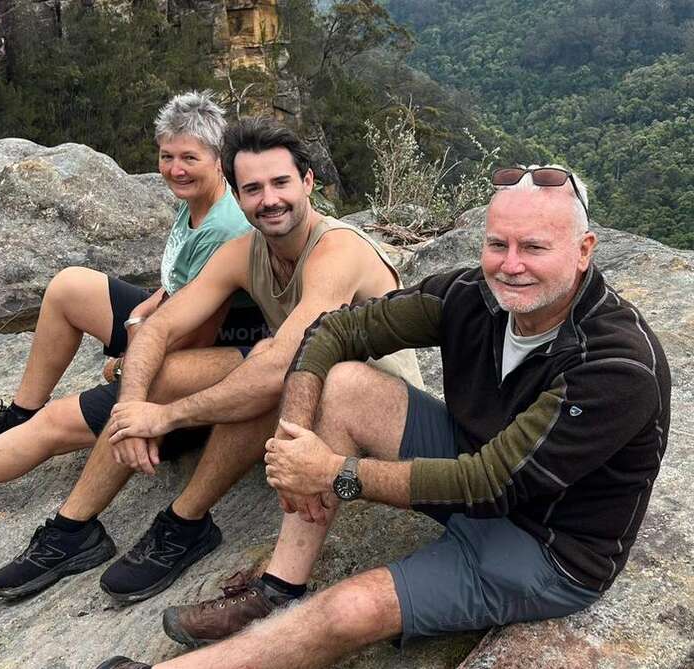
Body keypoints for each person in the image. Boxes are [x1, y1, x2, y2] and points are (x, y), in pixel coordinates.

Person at [95, 165, 671, 669]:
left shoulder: (616, 366)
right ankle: (278, 587)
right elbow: (335, 329)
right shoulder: (474, 296)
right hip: (471, 458)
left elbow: (492, 483)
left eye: (534, 248)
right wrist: (294, 442)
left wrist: (334, 473)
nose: (510, 265)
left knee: (350, 608)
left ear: (584, 250)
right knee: (342, 383)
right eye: (498, 244)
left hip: (545, 543)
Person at [0, 117, 424, 603]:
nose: (269, 199)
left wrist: (166, 417)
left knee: (271, 364)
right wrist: (131, 410)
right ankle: (73, 528)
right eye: (252, 189)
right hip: (303, 398)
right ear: (236, 194)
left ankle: (185, 520)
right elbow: (160, 328)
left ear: (308, 182)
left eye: (281, 183)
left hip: (373, 417)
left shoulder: (337, 250)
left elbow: (283, 366)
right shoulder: (244, 253)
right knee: (170, 370)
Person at [0, 90, 265, 529]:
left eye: (189, 158)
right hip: (173, 328)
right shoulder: (198, 204)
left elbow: (193, 336)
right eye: (167, 156)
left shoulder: (224, 228)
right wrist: (137, 317)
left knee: (56, 423)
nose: (175, 168)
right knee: (69, 286)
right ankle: (21, 412)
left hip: (201, 360)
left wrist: (128, 364)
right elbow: (175, 287)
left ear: (219, 160)